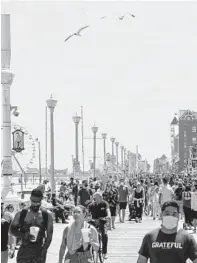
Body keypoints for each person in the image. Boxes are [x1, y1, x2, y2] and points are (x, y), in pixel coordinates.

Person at [9, 188, 53, 263]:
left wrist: (43, 252)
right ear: (30, 199)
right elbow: (11, 230)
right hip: (24, 251)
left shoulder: (47, 215)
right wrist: (24, 235)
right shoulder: (21, 214)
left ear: (41, 200)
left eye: (38, 202)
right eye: (33, 201)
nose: (35, 204)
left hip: (39, 250)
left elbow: (49, 236)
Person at [88, 192, 110, 259]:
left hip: (103, 221)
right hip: (93, 221)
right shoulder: (91, 205)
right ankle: (87, 252)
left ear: (101, 198)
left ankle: (104, 252)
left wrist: (108, 216)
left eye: (97, 198)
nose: (95, 199)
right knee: (86, 234)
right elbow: (87, 213)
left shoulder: (104, 203)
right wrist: (87, 217)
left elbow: (108, 210)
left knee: (104, 235)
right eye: (94, 198)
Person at [1, 198, 16, 263]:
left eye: (2, 205)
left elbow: (12, 233)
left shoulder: (7, 216)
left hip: (3, 249)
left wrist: (12, 248)